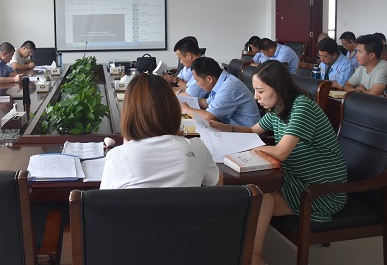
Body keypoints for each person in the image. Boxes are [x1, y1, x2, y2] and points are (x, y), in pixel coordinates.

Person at [209, 61, 347, 265]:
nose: (256, 97)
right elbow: (253, 130)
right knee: (251, 198)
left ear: (278, 87)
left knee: (253, 201)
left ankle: (253, 257)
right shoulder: (278, 108)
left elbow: (281, 152)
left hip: (320, 190)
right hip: (295, 178)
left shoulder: (302, 107)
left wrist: (247, 149)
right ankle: (245, 254)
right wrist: (226, 128)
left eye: (260, 91)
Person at [100, 73, 222, 189]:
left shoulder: (117, 157)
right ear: (173, 108)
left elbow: (104, 201)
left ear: (128, 112)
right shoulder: (197, 148)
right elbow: (217, 185)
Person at [180, 57, 260, 127]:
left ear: (209, 79)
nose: (197, 84)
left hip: (246, 132)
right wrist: (187, 101)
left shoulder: (228, 87)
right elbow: (208, 103)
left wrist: (185, 108)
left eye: (197, 80)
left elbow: (208, 117)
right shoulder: (220, 81)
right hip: (231, 128)